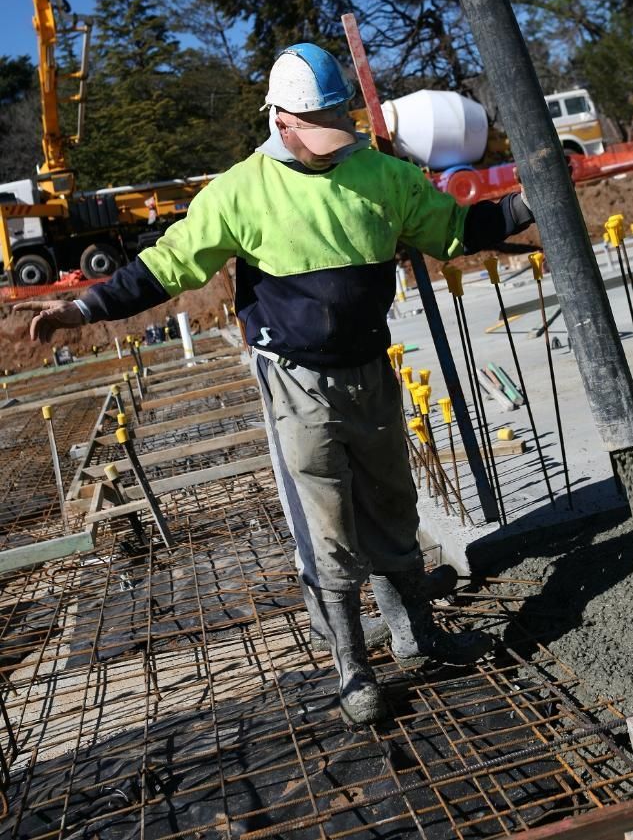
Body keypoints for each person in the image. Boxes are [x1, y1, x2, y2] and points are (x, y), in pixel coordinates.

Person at [17, 42, 534, 725]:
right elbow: (166, 267)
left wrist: (532, 200)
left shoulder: (381, 175)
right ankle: (352, 667)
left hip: (369, 371)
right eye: (313, 132)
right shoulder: (240, 191)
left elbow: (456, 229)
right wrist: (81, 306)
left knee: (391, 505)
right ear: (281, 121)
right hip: (296, 381)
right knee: (326, 524)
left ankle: (418, 635)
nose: (328, 147)